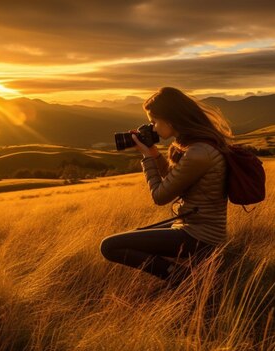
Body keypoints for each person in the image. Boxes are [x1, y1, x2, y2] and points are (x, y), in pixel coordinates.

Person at [100, 87, 234, 287]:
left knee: (109, 246)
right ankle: (186, 274)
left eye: (154, 122)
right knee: (137, 234)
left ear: (170, 119)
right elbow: (174, 179)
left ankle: (184, 279)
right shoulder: (198, 146)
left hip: (200, 236)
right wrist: (154, 153)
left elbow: (160, 196)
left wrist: (146, 158)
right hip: (195, 226)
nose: (152, 128)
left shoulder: (199, 153)